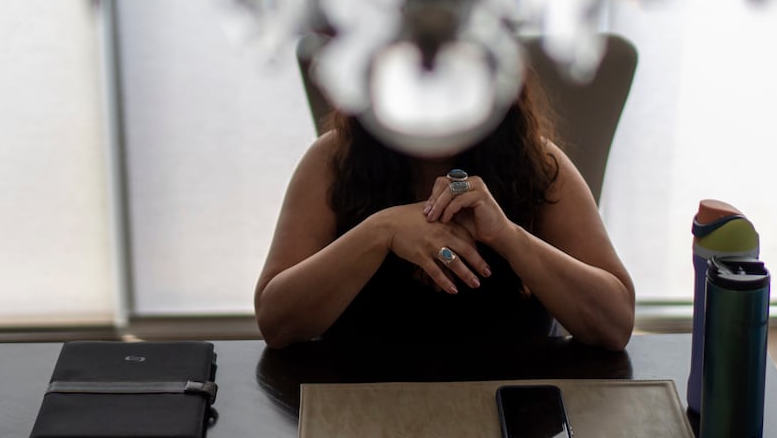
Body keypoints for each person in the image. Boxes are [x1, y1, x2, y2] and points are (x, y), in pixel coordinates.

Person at [254, 27, 634, 350]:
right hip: (363, 399)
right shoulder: (334, 158)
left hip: (513, 398)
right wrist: (380, 231)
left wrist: (508, 237)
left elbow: (615, 325)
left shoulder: (534, 161)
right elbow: (276, 321)